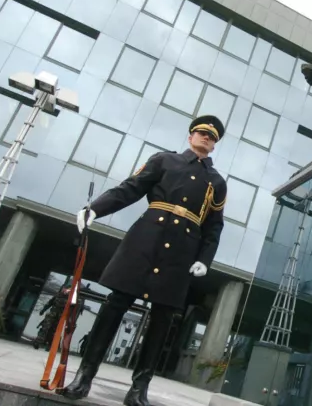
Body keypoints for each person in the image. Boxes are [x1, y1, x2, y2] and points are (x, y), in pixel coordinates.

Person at [59, 115, 228, 406]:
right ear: (190, 136)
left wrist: (205, 258)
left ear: (214, 146)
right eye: (201, 133)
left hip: (181, 252)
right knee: (115, 305)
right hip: (145, 240)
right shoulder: (164, 160)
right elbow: (130, 189)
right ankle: (84, 376)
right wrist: (95, 209)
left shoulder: (216, 182)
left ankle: (139, 389)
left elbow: (214, 225)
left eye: (211, 137)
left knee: (162, 318)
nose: (205, 138)